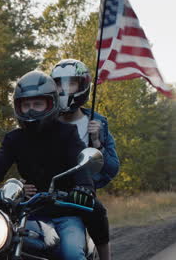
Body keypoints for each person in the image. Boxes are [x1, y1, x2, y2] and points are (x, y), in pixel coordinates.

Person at [0, 70, 95, 260]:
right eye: (25, 105)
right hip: (27, 214)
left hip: (64, 213)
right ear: (17, 108)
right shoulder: (14, 139)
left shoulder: (67, 134)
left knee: (71, 253)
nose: (30, 110)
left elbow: (82, 166)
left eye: (37, 104)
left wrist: (84, 188)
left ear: (51, 103)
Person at [50, 58, 120, 260]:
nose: (64, 89)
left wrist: (97, 142)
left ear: (83, 86)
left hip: (82, 191)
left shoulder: (98, 123)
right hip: (47, 191)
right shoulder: (45, 122)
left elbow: (111, 169)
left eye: (70, 83)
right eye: (58, 83)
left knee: (97, 211)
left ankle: (106, 258)